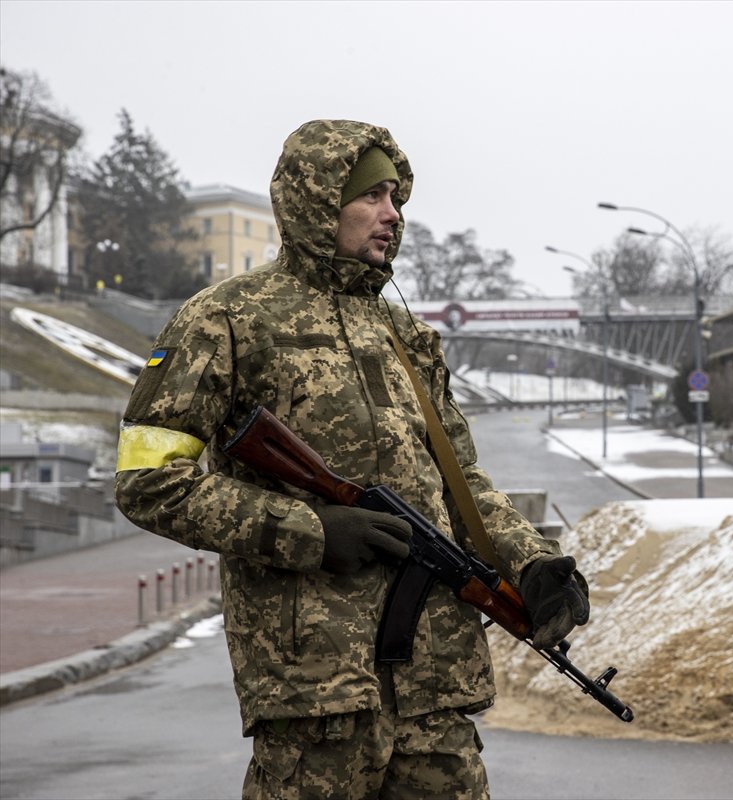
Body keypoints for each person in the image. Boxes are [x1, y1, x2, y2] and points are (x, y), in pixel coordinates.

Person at [114, 119, 590, 800]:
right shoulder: (228, 319)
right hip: (315, 694)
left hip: (435, 693)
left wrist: (532, 561)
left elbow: (461, 483)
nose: (392, 216)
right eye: (372, 197)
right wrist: (308, 532)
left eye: (397, 199)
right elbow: (148, 480)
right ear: (317, 199)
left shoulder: (408, 336)